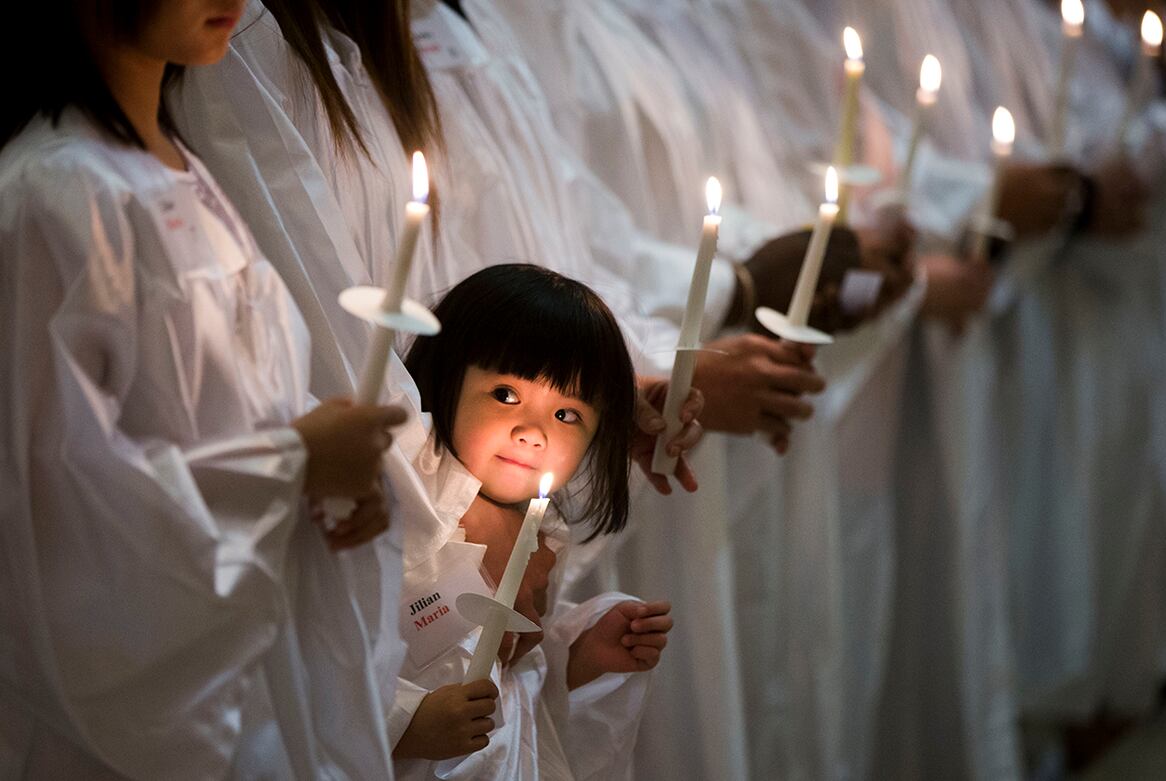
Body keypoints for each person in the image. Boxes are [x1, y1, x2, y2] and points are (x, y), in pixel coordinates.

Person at [0, 0, 406, 777]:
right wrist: (290, 464)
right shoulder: (52, 196)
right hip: (134, 720)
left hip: (254, 681)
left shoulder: (185, 177)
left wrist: (328, 482)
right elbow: (55, 516)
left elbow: (224, 414)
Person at [396, 264, 674, 779]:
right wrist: (404, 726)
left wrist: (581, 657)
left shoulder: (543, 534)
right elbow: (330, 652)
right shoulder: (402, 507)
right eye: (506, 395)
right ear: (446, 377)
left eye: (567, 415)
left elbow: (517, 687)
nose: (533, 432)